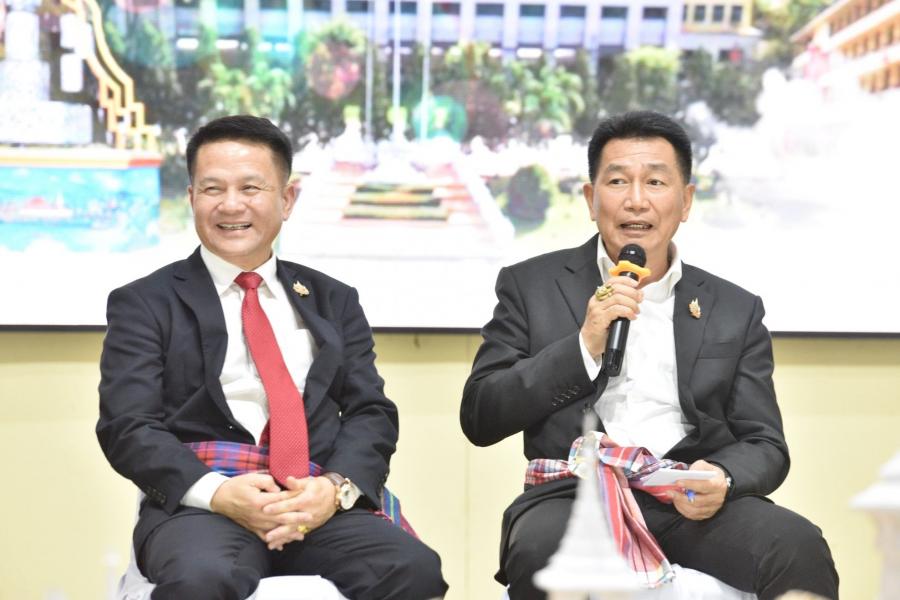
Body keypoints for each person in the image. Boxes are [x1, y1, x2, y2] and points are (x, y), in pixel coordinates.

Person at [460, 111, 838, 600]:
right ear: (590, 198)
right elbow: (481, 415)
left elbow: (765, 443)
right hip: (574, 495)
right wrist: (584, 345)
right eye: (618, 181)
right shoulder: (531, 285)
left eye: (656, 181)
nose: (636, 200)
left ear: (686, 201)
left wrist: (723, 476)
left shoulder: (734, 308)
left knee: (799, 547)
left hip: (686, 497)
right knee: (541, 555)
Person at [97, 115, 448, 600]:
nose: (231, 205)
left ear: (286, 199)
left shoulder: (333, 299)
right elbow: (128, 425)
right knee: (204, 579)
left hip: (314, 500)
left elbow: (370, 412)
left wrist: (333, 489)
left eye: (250, 187)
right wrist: (218, 492)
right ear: (192, 197)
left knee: (413, 570)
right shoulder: (145, 302)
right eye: (212, 188)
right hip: (203, 506)